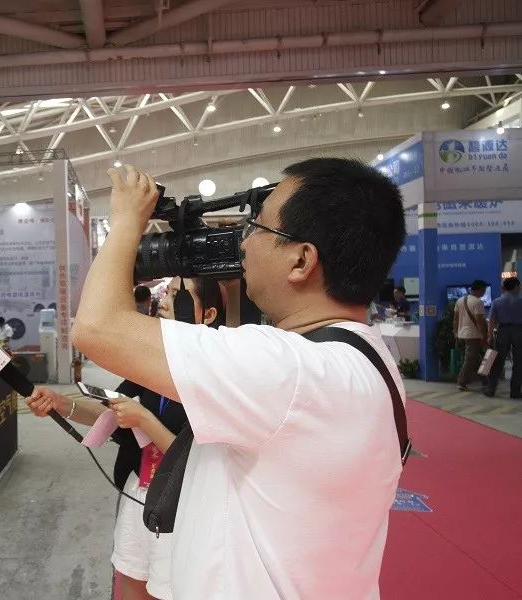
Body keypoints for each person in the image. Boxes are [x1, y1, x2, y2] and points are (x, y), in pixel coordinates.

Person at [71, 159, 407, 598]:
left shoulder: (289, 370)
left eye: (257, 227)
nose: (243, 243)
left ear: (302, 259)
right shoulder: (364, 359)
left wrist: (125, 223)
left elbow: (96, 328)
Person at [27, 276, 224, 600]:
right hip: (138, 492)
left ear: (209, 314)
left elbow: (197, 462)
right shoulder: (151, 362)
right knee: (129, 580)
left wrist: (144, 418)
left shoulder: (217, 377)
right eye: (167, 293)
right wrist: (61, 404)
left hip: (183, 505)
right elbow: (110, 410)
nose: (163, 301)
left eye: (177, 295)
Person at [484, 277, 522, 398]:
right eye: (519, 286)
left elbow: (492, 321)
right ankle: (515, 392)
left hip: (503, 330)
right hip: (518, 331)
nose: (520, 288)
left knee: (498, 361)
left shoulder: (497, 301)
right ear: (515, 286)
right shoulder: (520, 301)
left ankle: (490, 389)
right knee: (519, 362)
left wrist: (490, 335)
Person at [454, 279, 488, 391]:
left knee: (479, 358)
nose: (484, 292)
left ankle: (485, 380)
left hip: (462, 334)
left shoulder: (460, 300)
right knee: (470, 359)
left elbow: (456, 319)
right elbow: (480, 321)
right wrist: (484, 336)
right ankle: (461, 382)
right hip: (473, 335)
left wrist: (456, 332)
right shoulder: (478, 302)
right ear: (480, 290)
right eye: (484, 290)